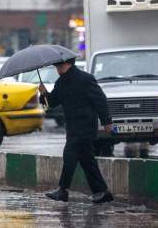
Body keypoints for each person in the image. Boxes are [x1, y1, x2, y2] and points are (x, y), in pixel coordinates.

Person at [39, 58, 114, 204]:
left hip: (85, 126)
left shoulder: (85, 79)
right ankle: (102, 192)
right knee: (87, 161)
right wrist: (44, 94)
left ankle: (62, 190)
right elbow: (52, 102)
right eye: (56, 66)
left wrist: (106, 121)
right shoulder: (61, 82)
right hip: (72, 126)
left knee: (70, 155)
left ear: (68, 64)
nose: (57, 69)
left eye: (58, 66)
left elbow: (100, 100)